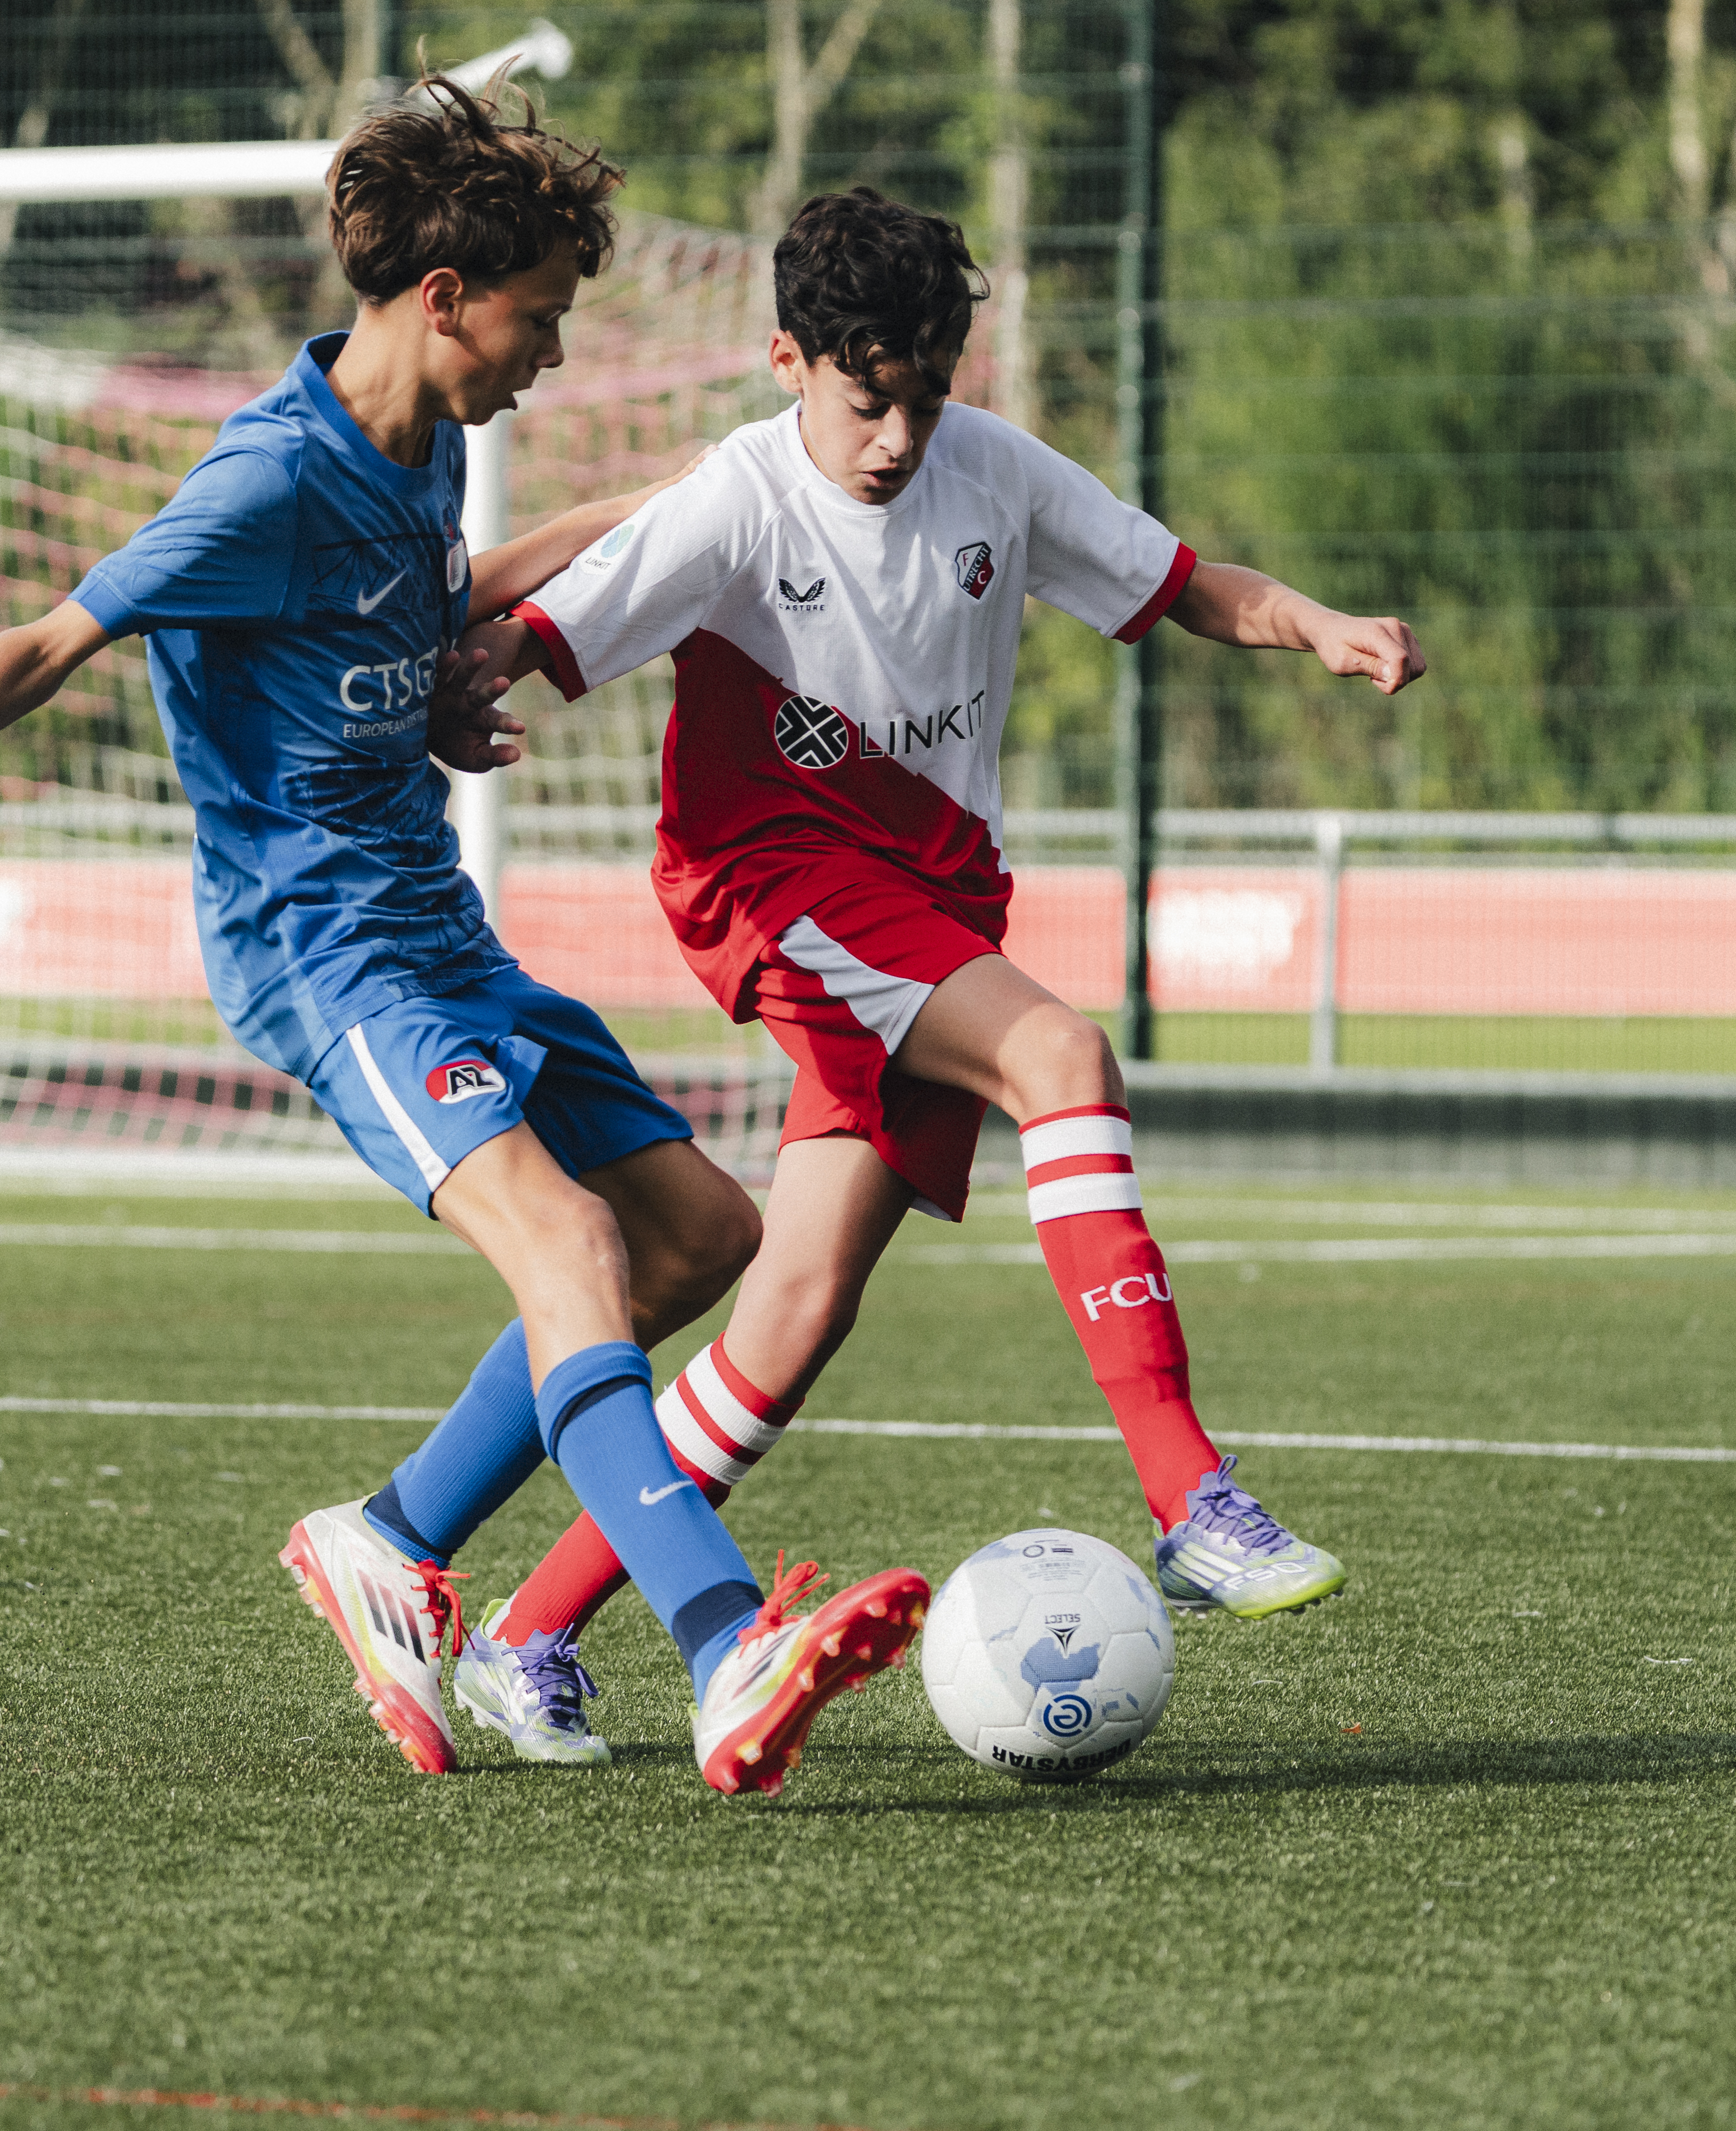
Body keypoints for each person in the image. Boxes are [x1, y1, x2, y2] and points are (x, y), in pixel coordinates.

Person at [0, 91, 926, 1796]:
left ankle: (388, 1540)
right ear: (449, 295)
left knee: (696, 1233)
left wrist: (665, 512)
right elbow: (55, 631)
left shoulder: (427, 440)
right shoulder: (265, 479)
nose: (548, 353)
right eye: (538, 318)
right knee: (571, 1258)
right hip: (328, 955)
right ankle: (722, 1645)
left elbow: (433, 608)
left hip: (440, 927)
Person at [433, 187, 1425, 1766]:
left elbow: (1178, 584)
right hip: (777, 884)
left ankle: (527, 1630)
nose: (895, 435)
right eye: (863, 394)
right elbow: (541, 637)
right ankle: (1190, 1495)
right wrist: (448, 683)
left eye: (924, 394)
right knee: (1063, 1058)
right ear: (788, 360)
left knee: (791, 1319)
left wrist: (1319, 627)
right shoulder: (736, 501)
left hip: (931, 903)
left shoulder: (992, 473)